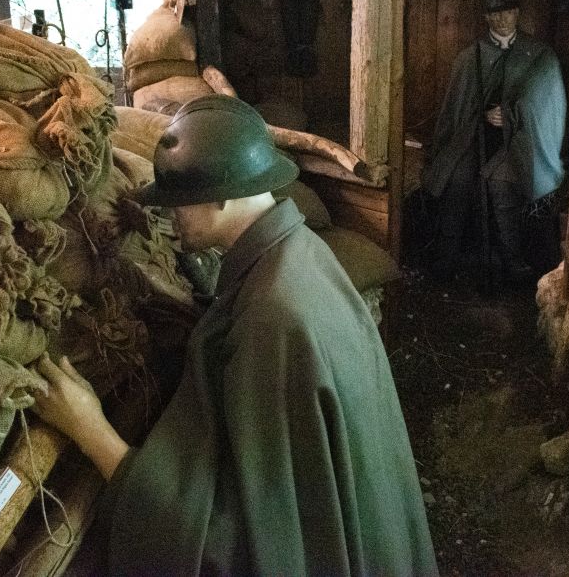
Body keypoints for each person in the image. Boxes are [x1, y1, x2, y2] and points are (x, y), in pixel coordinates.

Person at [33, 95, 437, 576]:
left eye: (181, 203)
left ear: (222, 196)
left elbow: (237, 544)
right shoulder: (300, 253)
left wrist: (87, 428)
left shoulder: (273, 318)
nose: (172, 217)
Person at [420, 0, 566, 283]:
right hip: (476, 137)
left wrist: (511, 117)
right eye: (494, 14)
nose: (501, 20)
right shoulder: (470, 56)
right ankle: (445, 261)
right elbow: (455, 111)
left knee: (500, 182)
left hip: (522, 143)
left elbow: (545, 106)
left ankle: (515, 263)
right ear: (486, 18)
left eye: (507, 12)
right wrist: (484, 116)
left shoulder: (538, 55)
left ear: (517, 13)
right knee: (456, 179)